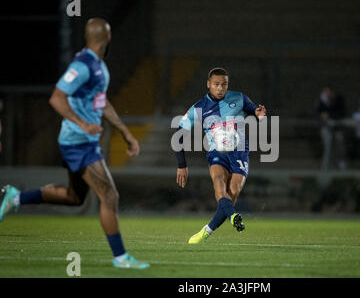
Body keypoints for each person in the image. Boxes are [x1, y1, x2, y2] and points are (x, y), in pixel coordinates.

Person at [0, 18, 149, 269]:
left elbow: (102, 103)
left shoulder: (100, 67)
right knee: (110, 195)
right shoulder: (82, 65)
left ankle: (15, 198)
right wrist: (83, 124)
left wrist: (125, 132)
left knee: (74, 197)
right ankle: (121, 258)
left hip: (85, 141)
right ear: (107, 38)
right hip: (78, 141)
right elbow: (57, 98)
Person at [174, 67, 266, 244]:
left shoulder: (239, 98)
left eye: (224, 84)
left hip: (239, 150)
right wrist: (181, 165)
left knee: (234, 191)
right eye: (216, 84)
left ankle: (207, 230)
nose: (220, 88)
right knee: (218, 182)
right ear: (208, 84)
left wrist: (259, 116)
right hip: (217, 151)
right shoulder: (198, 108)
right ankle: (233, 217)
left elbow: (254, 114)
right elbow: (179, 135)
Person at [317, 87, 347, 170]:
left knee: (339, 148)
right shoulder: (322, 101)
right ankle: (328, 167)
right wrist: (323, 115)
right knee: (328, 149)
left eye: (329, 92)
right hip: (327, 129)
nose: (327, 94)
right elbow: (318, 113)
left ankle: (341, 166)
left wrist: (329, 115)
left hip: (337, 128)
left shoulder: (338, 100)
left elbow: (341, 113)